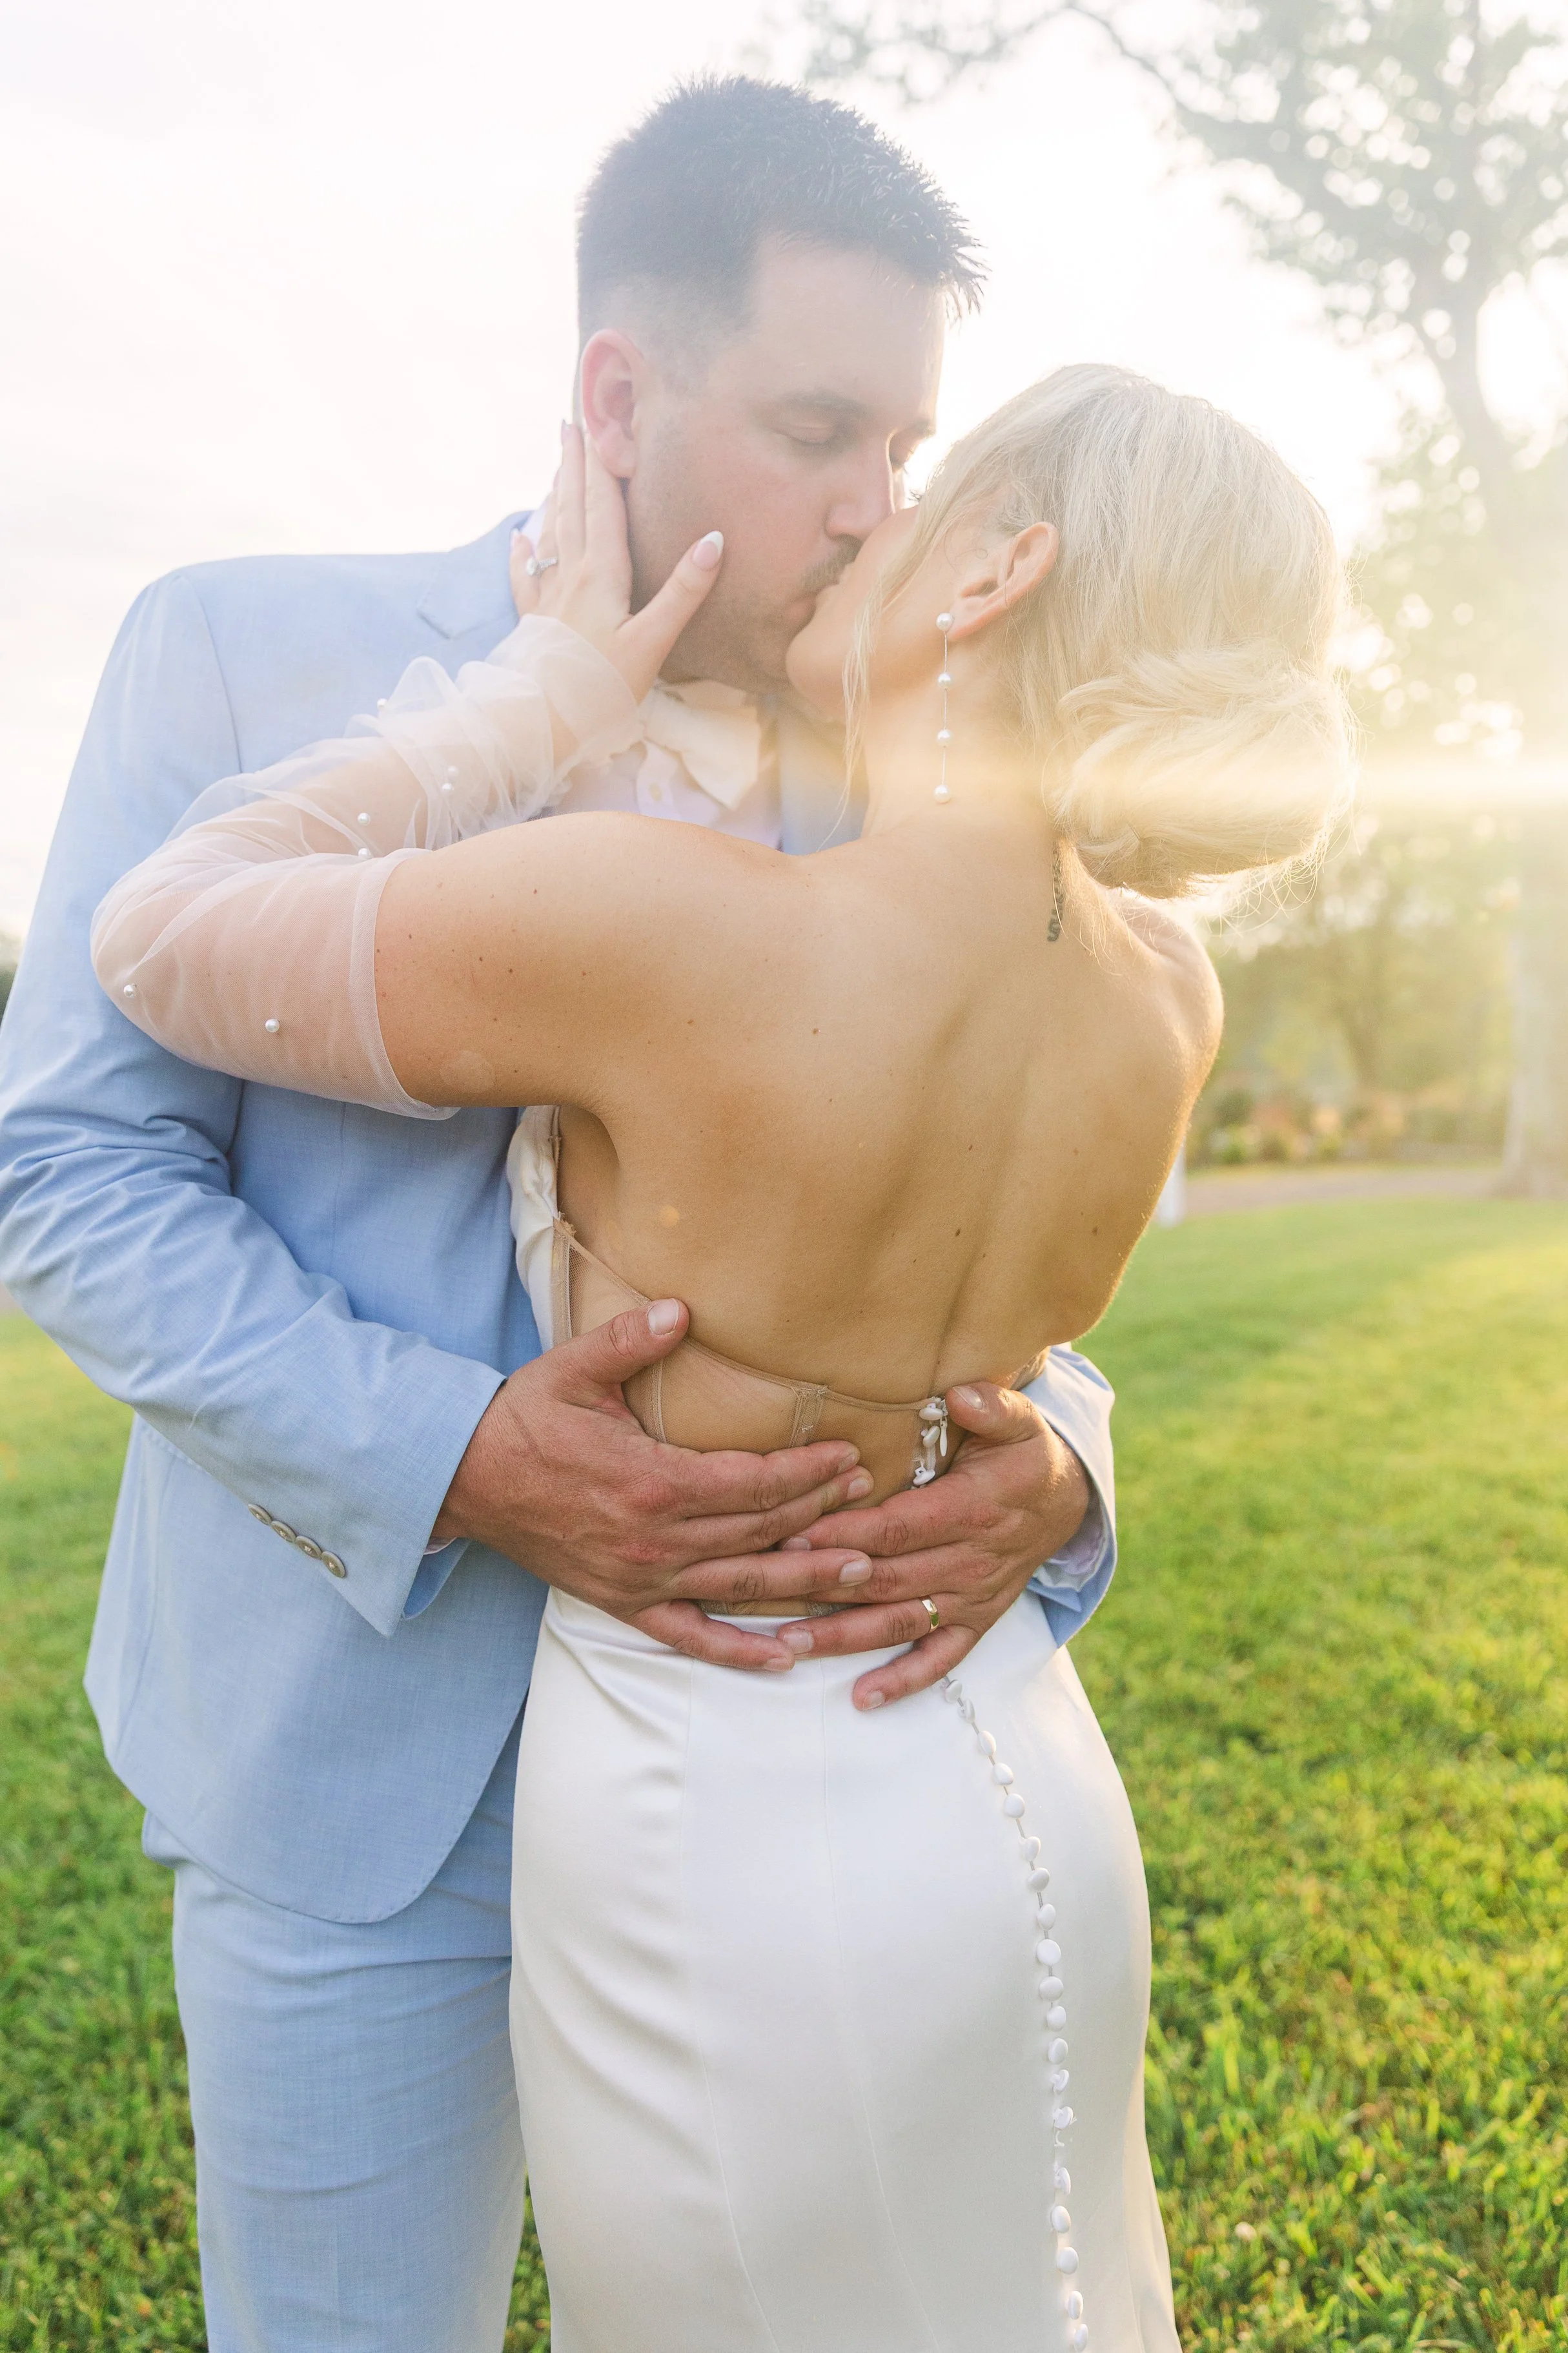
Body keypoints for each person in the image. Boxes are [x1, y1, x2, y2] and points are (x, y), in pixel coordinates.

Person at [0, 79, 1121, 2352]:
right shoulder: (237, 646)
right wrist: (463, 1455)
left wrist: (1071, 1451)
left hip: (793, 1774)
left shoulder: (915, 762)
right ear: (620, 393)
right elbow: (67, 1165)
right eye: (818, 430)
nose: (873, 512)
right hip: (349, 1766)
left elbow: (1019, 1165)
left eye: (906, 452)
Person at [93, 349, 1351, 2343]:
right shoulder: (1166, 994)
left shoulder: (680, 934)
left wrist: (530, 703)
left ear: (991, 573)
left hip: (716, 1801)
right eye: (834, 445)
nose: (868, 515)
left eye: (921, 489)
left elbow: (161, 930)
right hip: (1004, 1779)